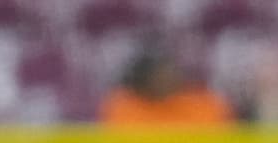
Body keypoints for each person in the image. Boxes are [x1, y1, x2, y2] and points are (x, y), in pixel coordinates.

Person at [98, 45, 235, 128]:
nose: (167, 79)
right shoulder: (123, 106)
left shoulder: (206, 104)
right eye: (159, 75)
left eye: (170, 72)